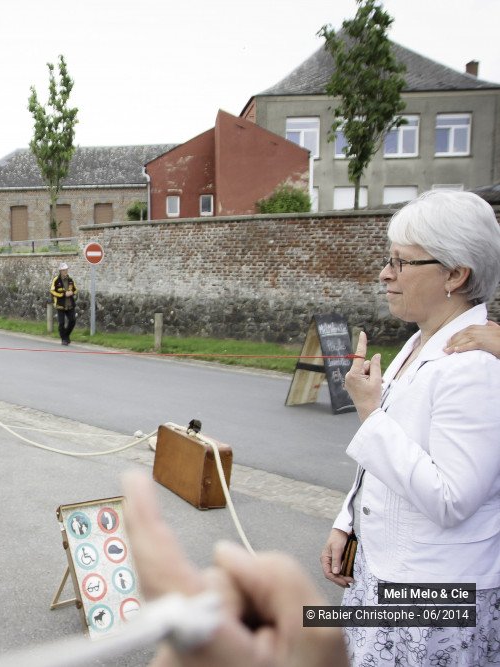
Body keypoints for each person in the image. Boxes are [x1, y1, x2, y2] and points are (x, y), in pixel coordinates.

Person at [319, 190, 500, 665]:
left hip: (431, 595)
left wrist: (369, 413)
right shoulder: (420, 341)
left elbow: (450, 499)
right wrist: (348, 522)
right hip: (384, 572)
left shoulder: (473, 366)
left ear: (455, 274)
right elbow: (392, 459)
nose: (385, 273)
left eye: (401, 262)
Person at [122, 472, 348, 667]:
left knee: (372, 622)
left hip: (382, 581)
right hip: (368, 567)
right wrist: (344, 525)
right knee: (358, 625)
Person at [50, 262, 77, 345]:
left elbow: (75, 290)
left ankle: (66, 336)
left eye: (66, 270)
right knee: (61, 323)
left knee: (72, 321)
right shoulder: (56, 280)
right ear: (60, 271)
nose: (66, 272)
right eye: (64, 270)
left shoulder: (70, 280)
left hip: (70, 305)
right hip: (60, 305)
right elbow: (52, 291)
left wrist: (71, 293)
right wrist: (63, 294)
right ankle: (64, 339)